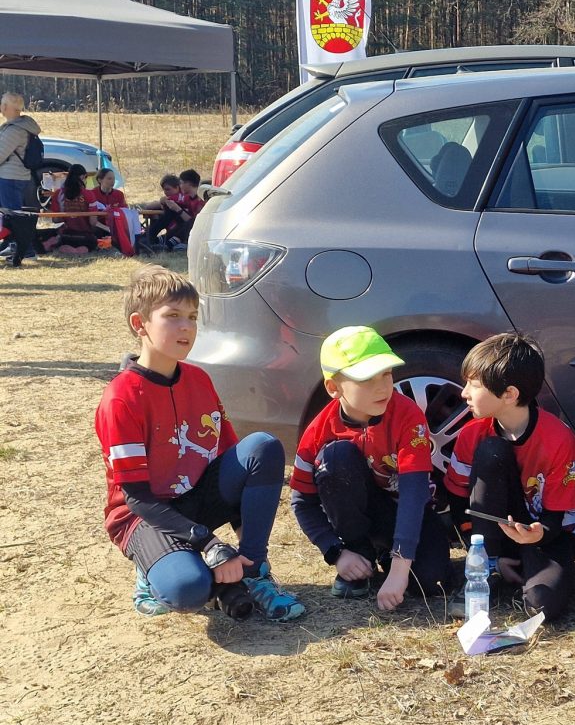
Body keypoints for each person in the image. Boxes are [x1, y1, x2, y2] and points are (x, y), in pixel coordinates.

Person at [94, 265, 305, 622]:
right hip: (144, 516)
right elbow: (136, 497)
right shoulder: (121, 398)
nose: (186, 327)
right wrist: (208, 543)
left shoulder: (199, 379)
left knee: (262, 448)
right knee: (186, 590)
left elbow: (233, 462)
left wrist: (243, 551)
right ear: (139, 324)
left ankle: (253, 574)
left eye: (192, 317)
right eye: (172, 316)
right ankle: (156, 571)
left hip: (194, 499)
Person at [290, 326, 451, 610]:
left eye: (387, 374)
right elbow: (302, 503)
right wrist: (336, 552)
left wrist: (401, 567)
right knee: (336, 457)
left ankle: (388, 556)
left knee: (430, 581)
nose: (382, 387)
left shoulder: (408, 415)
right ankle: (360, 551)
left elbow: (414, 496)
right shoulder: (318, 432)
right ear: (333, 388)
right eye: (367, 379)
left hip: (404, 514)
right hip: (357, 521)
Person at [444, 332, 575, 621]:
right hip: (496, 534)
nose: (464, 393)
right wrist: (485, 555)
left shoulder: (558, 438)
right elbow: (460, 501)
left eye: (474, 385)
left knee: (543, 607)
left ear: (509, 394)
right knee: (491, 450)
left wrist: (538, 536)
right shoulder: (473, 433)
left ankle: (528, 568)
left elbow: (556, 517)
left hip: (548, 532)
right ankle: (488, 567)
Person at [0, 92, 40, 268]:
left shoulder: (15, 130)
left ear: (8, 107)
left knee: (13, 215)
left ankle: (26, 250)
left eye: (2, 103)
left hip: (10, 177)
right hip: (17, 176)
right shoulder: (23, 126)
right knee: (12, 214)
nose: (0, 107)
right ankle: (11, 244)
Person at [48, 164, 97, 254]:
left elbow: (55, 219)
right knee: (91, 243)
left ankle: (60, 245)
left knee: (57, 237)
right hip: (85, 236)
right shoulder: (89, 194)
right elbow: (93, 222)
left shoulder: (58, 193)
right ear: (82, 177)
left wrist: (69, 215)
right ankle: (80, 250)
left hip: (66, 235)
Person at [141, 174, 194, 249]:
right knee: (164, 211)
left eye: (168, 189)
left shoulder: (183, 196)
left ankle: (149, 237)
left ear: (177, 187)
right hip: (175, 228)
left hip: (186, 227)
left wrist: (164, 201)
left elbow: (155, 204)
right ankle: (151, 238)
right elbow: (149, 207)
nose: (165, 192)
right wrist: (162, 201)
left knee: (169, 211)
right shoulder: (174, 197)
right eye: (164, 190)